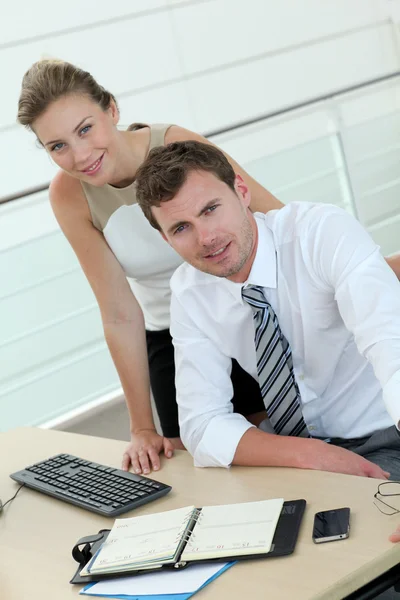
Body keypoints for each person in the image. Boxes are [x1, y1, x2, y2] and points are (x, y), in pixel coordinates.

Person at [17, 59, 284, 474]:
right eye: (58, 146)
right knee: (195, 464)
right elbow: (120, 313)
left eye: (85, 129)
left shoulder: (175, 144)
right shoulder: (68, 195)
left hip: (245, 310)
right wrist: (141, 426)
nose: (80, 155)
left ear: (112, 109)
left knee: (276, 444)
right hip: (170, 335)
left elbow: (276, 220)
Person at [135, 140, 400, 480]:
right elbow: (200, 424)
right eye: (181, 228)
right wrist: (312, 455)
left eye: (210, 209)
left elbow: (391, 349)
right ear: (166, 240)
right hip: (295, 451)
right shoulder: (190, 291)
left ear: (241, 191)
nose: (206, 238)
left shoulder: (320, 233)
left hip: (387, 435)